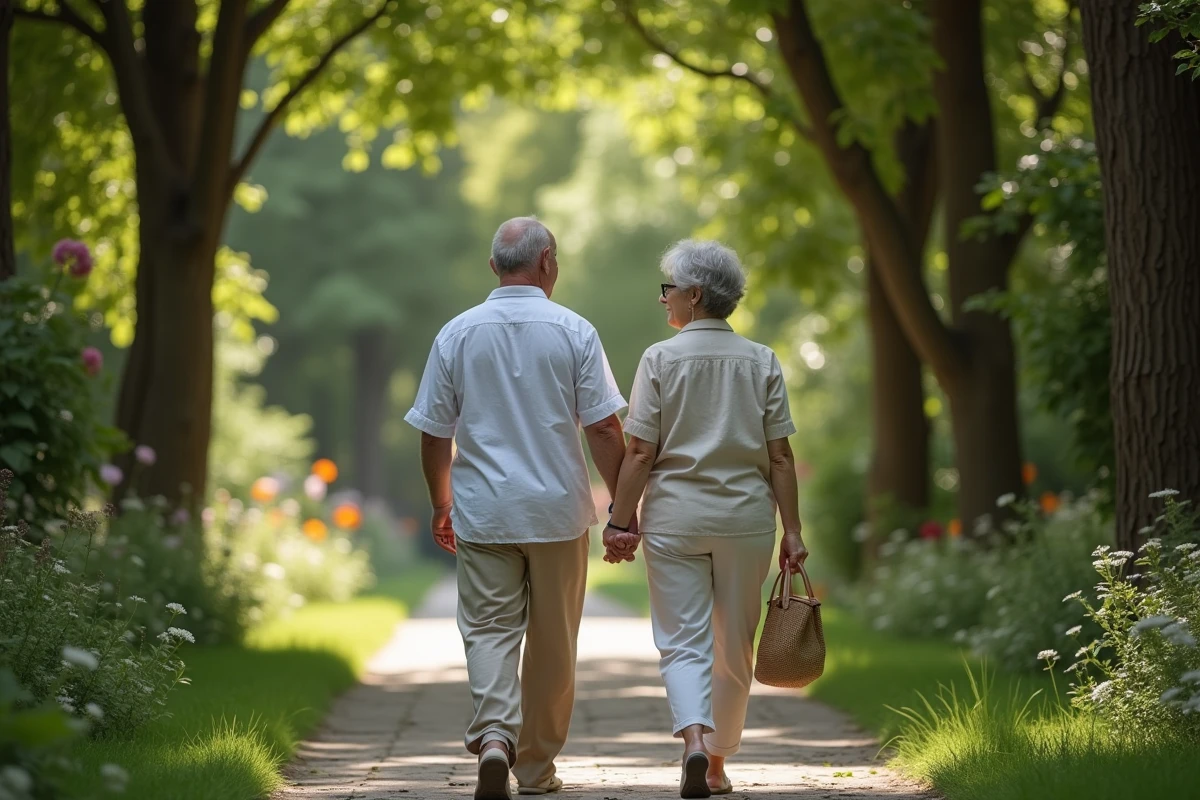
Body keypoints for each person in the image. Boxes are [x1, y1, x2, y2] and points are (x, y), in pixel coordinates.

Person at [405, 217, 632, 800]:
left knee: (487, 630)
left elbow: (433, 433)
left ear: (493, 268)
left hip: (484, 512)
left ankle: (494, 737)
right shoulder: (575, 331)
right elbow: (604, 428)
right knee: (554, 641)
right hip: (557, 513)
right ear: (549, 262)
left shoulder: (456, 333)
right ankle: (533, 769)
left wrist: (441, 503)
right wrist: (626, 508)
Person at [602, 239, 809, 799]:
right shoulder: (762, 360)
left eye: (668, 288)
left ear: (695, 295)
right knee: (734, 643)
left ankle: (693, 738)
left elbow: (641, 451)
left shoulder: (659, 359)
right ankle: (716, 764)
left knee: (682, 640)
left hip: (675, 520)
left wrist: (621, 522)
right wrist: (792, 531)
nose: (662, 298)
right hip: (745, 521)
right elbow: (781, 456)